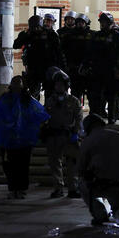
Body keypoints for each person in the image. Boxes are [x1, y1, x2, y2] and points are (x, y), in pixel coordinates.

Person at [0, 76, 49, 198]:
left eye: (19, 84)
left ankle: (21, 188)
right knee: (9, 165)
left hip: (24, 139)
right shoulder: (5, 98)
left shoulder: (27, 99)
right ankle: (13, 188)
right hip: (8, 138)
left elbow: (38, 112)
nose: (17, 86)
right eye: (14, 83)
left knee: (23, 165)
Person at [77, 113, 119, 226]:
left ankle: (100, 214)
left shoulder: (89, 140)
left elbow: (80, 167)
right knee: (118, 200)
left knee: (82, 184)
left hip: (103, 184)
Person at [43, 70, 83, 198]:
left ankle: (73, 188)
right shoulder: (50, 101)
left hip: (68, 136)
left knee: (72, 164)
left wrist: (76, 133)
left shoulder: (73, 101)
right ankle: (58, 188)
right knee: (55, 163)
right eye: (57, 85)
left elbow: (79, 118)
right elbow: (44, 117)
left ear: (66, 86)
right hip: (54, 135)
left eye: (61, 84)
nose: (58, 87)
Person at [86, 12, 119, 124]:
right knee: (96, 97)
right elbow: (90, 52)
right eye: (101, 22)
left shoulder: (117, 37)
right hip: (97, 71)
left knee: (112, 97)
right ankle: (96, 118)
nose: (102, 24)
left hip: (111, 72)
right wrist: (87, 65)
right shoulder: (96, 36)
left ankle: (112, 118)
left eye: (105, 22)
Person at [13, 14, 65, 99]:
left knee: (49, 92)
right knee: (33, 93)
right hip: (33, 67)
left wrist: (60, 67)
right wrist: (26, 35)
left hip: (48, 67)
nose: (36, 29)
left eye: (38, 27)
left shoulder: (50, 34)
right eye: (34, 27)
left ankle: (47, 110)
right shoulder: (28, 34)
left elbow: (58, 51)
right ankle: (34, 110)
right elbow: (16, 45)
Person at [61, 12, 92, 99]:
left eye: (82, 22)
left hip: (86, 68)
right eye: (78, 22)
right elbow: (64, 50)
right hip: (73, 67)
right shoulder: (70, 35)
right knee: (75, 92)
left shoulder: (91, 35)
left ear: (86, 23)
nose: (80, 24)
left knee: (91, 93)